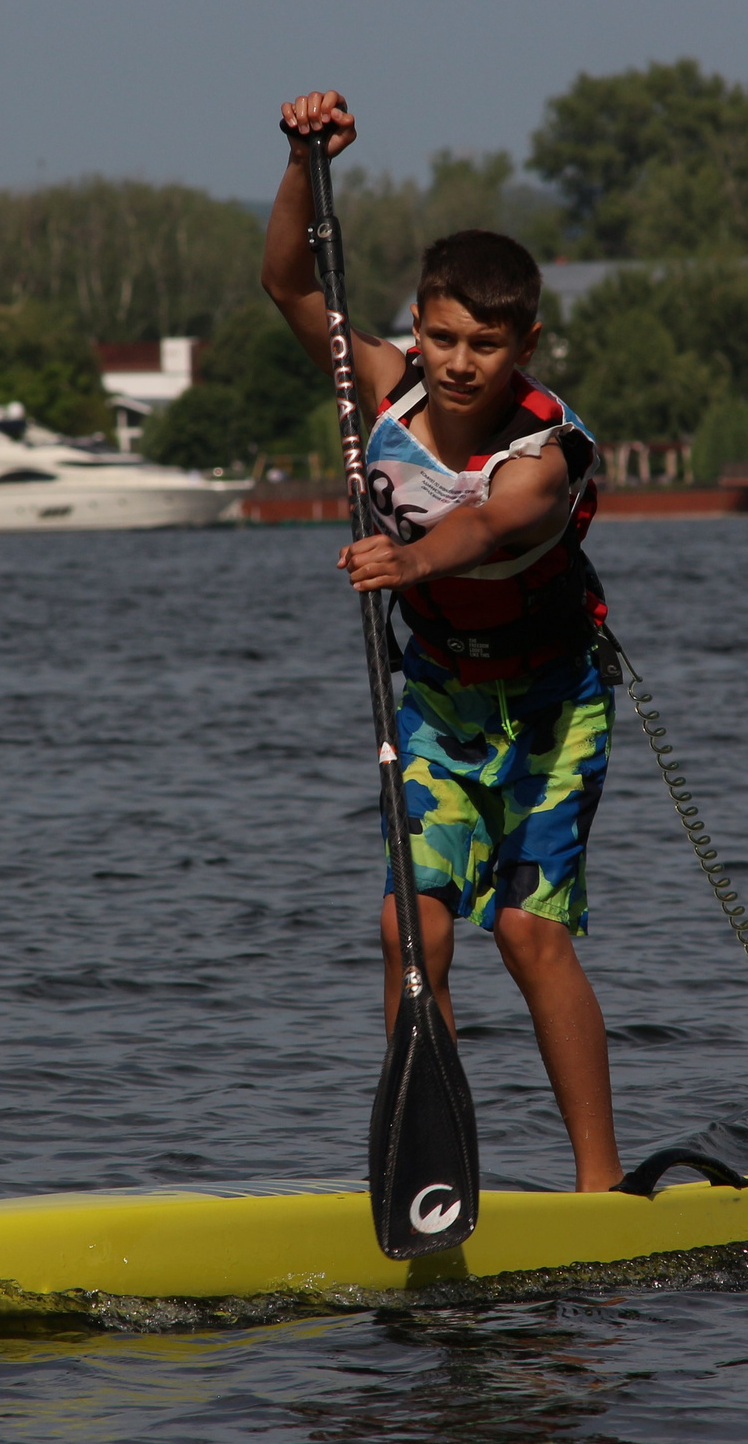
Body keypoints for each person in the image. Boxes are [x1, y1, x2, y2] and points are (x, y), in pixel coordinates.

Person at [261, 89, 623, 1193]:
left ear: (524, 344)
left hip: (555, 709)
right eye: (440, 335)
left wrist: (408, 562)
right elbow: (287, 282)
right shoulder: (379, 384)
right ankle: (434, 1175)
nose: (458, 361)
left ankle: (600, 1192)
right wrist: (296, 162)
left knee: (526, 935)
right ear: (415, 326)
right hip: (440, 702)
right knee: (406, 930)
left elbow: (489, 524)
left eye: (486, 343)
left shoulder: (545, 450)